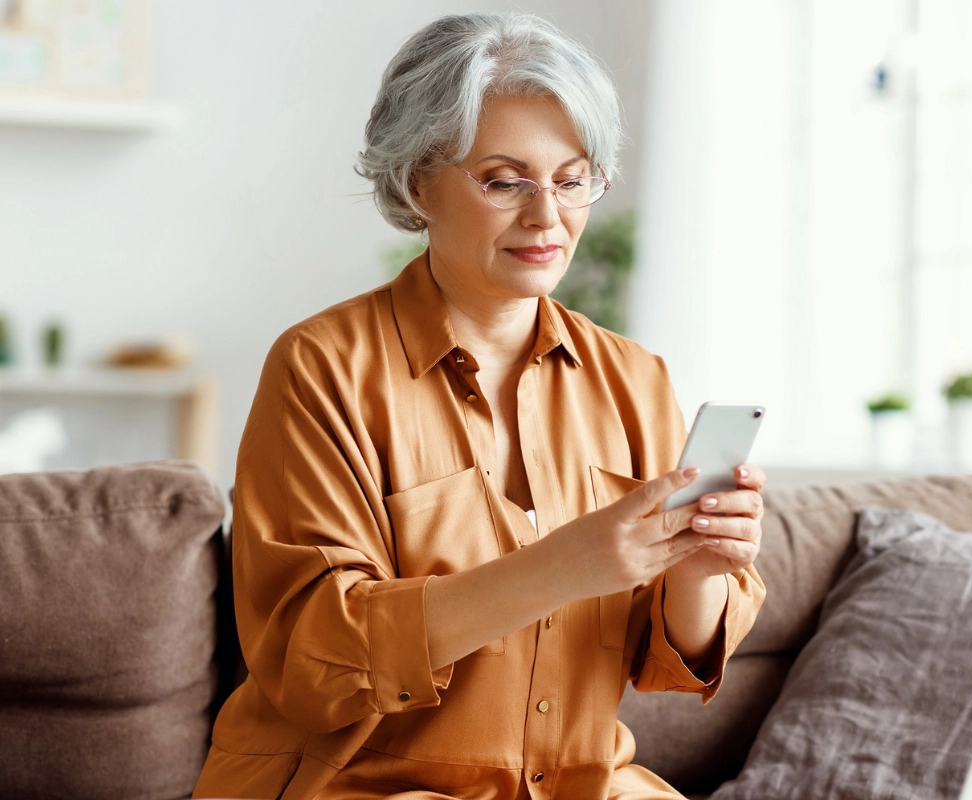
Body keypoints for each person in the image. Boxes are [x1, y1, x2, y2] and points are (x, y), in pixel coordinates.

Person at [192, 12, 765, 800]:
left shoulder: (635, 380)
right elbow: (310, 656)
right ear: (416, 180)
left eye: (572, 179)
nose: (547, 217)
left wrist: (700, 568)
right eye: (505, 180)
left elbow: (668, 659)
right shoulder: (322, 367)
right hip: (357, 784)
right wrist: (562, 567)